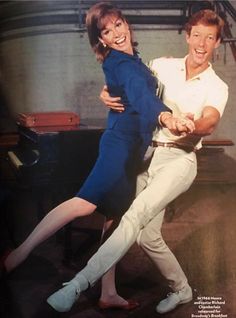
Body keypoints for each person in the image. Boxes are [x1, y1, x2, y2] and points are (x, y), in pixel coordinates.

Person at [0, 1, 191, 312]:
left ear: (127, 24)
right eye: (106, 30)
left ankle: (108, 291)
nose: (115, 33)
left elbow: (138, 87)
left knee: (114, 218)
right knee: (84, 203)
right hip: (118, 148)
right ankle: (18, 255)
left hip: (132, 152)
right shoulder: (122, 64)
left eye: (118, 25)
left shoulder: (133, 61)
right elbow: (141, 96)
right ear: (100, 39)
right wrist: (167, 118)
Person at [46, 8, 228, 314]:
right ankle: (182, 289)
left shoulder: (217, 86)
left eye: (209, 38)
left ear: (217, 43)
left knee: (134, 216)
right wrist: (107, 93)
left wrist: (188, 125)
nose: (201, 42)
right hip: (147, 156)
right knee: (146, 235)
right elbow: (131, 83)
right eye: (196, 34)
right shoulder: (162, 66)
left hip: (180, 159)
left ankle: (76, 285)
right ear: (187, 36)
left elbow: (209, 122)